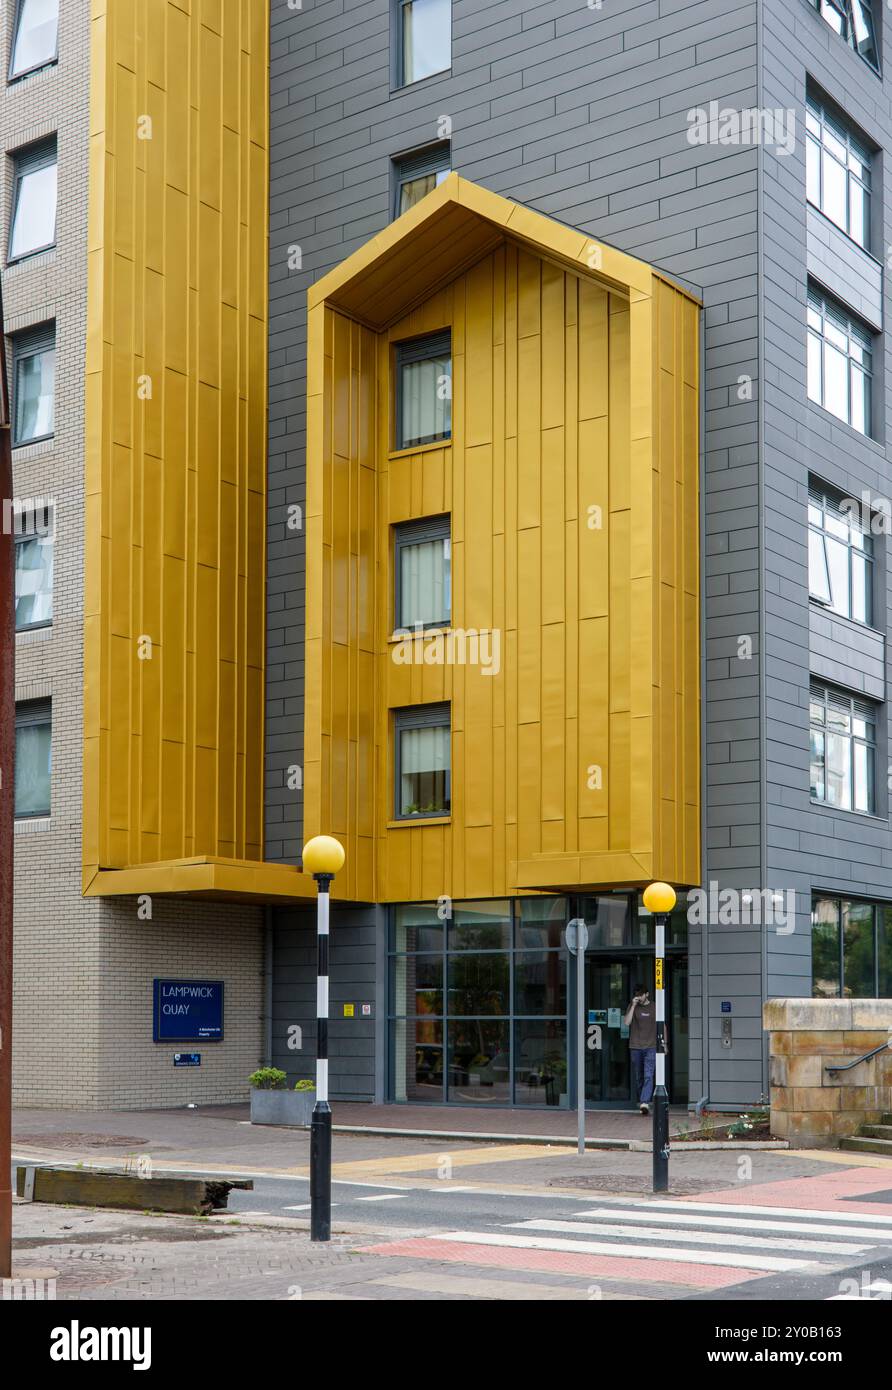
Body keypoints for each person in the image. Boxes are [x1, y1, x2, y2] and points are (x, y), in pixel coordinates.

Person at [624, 982, 657, 1115]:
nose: (639, 997)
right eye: (637, 995)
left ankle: (644, 1102)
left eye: (641, 995)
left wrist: (664, 1044)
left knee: (648, 1075)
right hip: (636, 1046)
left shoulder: (654, 1006)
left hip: (651, 1046)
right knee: (639, 1076)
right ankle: (643, 1100)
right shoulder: (633, 1006)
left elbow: (663, 1025)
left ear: (647, 994)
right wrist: (633, 1005)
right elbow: (627, 1022)